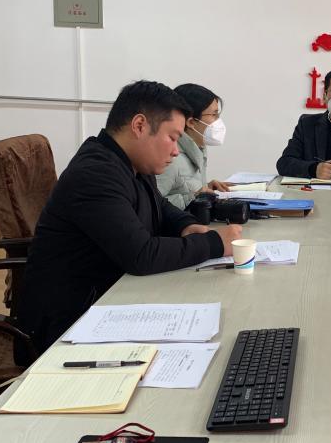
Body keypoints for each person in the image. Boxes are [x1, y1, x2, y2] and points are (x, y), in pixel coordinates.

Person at [17, 80, 241, 358]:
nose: (175, 150)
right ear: (139, 125)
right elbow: (141, 255)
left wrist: (186, 225)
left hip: (108, 302)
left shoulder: (131, 163)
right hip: (65, 327)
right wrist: (214, 243)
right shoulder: (95, 174)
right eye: (172, 138)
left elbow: (159, 205)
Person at [156, 83, 231, 209]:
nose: (218, 121)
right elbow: (152, 205)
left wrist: (206, 188)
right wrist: (193, 198)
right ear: (191, 122)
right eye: (214, 115)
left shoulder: (198, 148)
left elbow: (183, 189)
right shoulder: (170, 159)